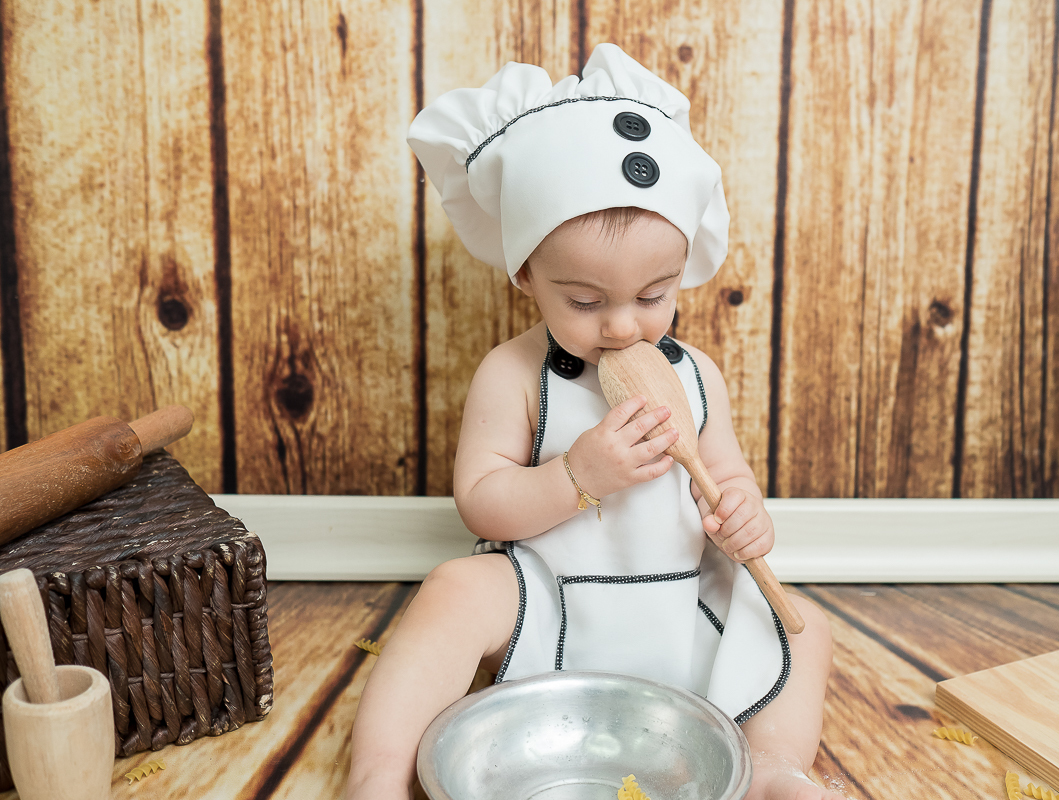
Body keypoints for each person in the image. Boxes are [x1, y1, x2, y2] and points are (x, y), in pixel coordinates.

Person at [347, 44, 843, 800]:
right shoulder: (515, 375)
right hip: (551, 595)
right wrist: (579, 477)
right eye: (583, 301)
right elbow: (483, 502)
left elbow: (728, 473)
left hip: (681, 598)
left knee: (805, 627)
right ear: (525, 273)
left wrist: (743, 513)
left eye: (653, 296)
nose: (619, 326)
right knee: (454, 587)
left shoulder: (695, 375)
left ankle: (771, 764)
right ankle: (379, 773)